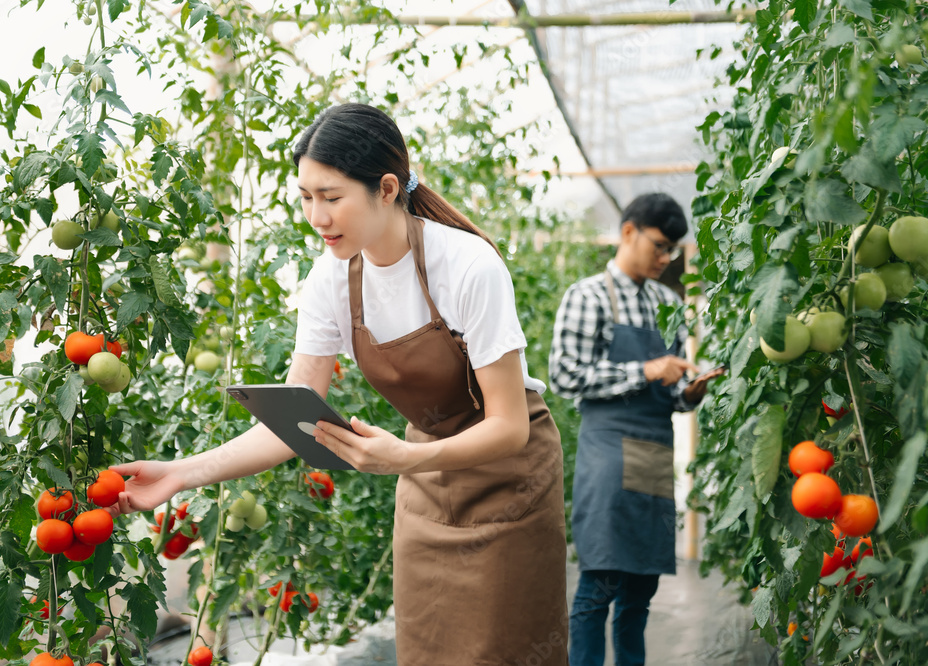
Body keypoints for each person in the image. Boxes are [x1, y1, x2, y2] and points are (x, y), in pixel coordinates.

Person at [107, 103, 570, 664]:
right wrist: (180, 474)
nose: (316, 216)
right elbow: (290, 424)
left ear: (387, 188)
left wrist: (402, 458)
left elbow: (509, 425)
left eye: (331, 197)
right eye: (305, 197)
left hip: (508, 478)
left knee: (506, 650)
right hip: (424, 478)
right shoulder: (331, 278)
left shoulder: (468, 265)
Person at [548, 193, 723, 666]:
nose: (666, 259)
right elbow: (565, 375)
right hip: (606, 451)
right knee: (598, 585)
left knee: (640, 591)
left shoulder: (668, 303)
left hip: (652, 450)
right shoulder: (588, 296)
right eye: (660, 246)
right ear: (629, 232)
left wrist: (689, 393)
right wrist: (645, 371)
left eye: (671, 250)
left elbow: (669, 393)